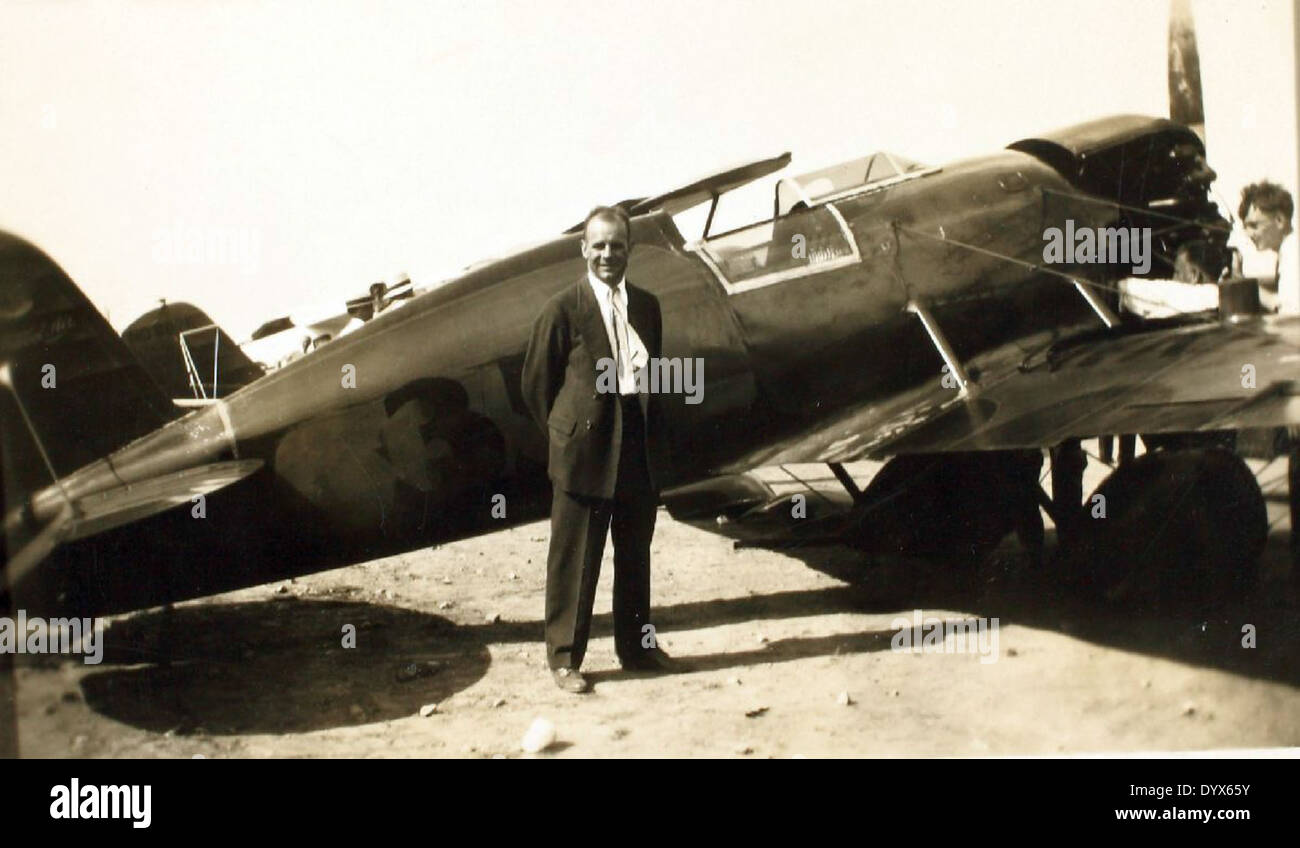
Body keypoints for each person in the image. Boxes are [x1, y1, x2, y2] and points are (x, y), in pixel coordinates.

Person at [521, 205, 681, 693]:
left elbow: (651, 376)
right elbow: (536, 386)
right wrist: (569, 432)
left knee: (635, 552)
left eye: (618, 245)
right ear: (583, 249)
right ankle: (565, 659)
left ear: (629, 249)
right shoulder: (562, 309)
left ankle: (637, 648)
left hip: (636, 444)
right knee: (576, 558)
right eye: (600, 245)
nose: (608, 254)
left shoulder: (648, 307)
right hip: (584, 449)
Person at [1232, 180, 1297, 314]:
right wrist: (1242, 282)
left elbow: (1291, 314)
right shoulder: (1289, 249)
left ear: (1279, 220)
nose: (1248, 234)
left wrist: (1242, 285)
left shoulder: (1293, 252)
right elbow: (1283, 301)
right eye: (1245, 227)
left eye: (1254, 225)